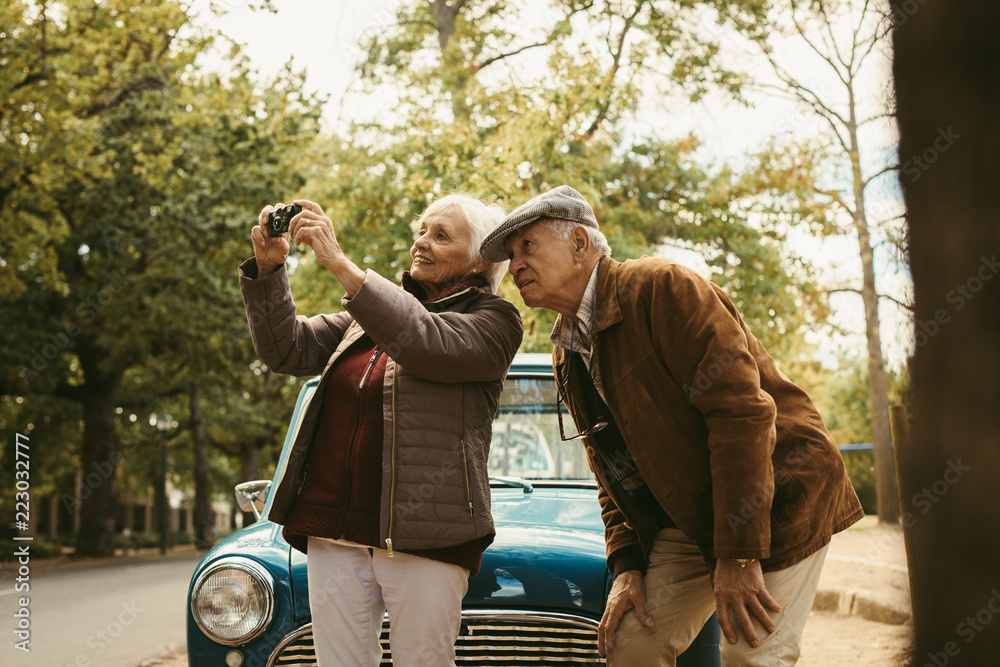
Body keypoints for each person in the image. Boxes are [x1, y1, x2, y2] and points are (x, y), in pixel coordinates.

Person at [478, 185, 864, 667]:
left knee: (751, 653)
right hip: (689, 514)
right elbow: (608, 466)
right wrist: (626, 564)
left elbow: (743, 414)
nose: (514, 265)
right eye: (511, 255)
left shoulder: (661, 287)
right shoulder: (567, 349)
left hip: (778, 494)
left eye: (527, 247)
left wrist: (740, 556)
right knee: (632, 645)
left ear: (580, 243)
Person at [240, 194, 523, 667]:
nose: (421, 243)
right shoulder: (370, 314)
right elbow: (287, 350)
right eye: (421, 230)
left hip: (426, 533)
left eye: (441, 235)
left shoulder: (494, 320)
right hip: (334, 525)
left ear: (481, 257)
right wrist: (270, 273)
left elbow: (426, 343)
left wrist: (337, 262)